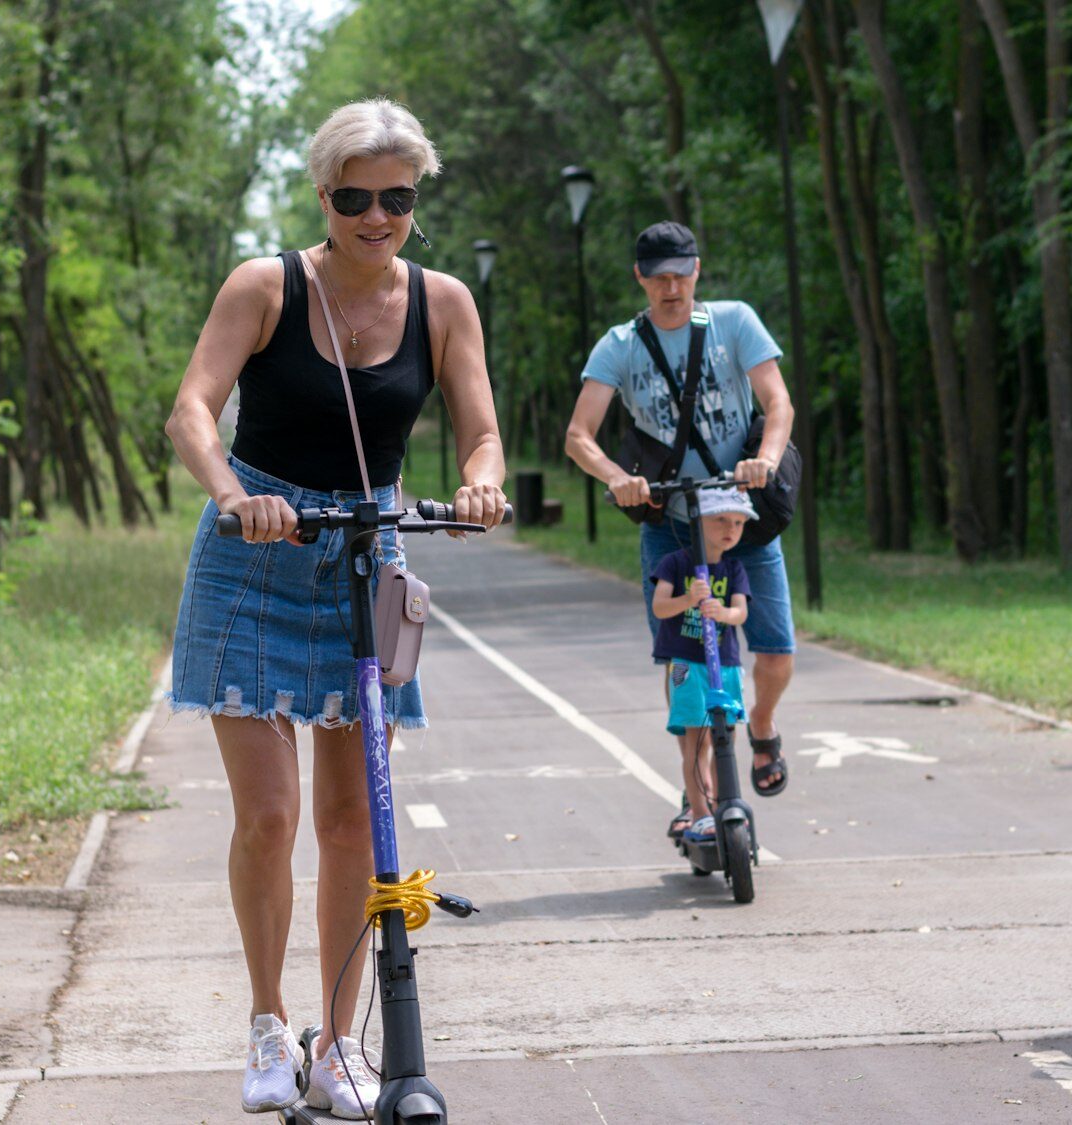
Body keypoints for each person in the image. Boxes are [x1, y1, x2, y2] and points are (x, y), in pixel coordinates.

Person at [162, 97, 505, 1118]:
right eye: (353, 196)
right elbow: (191, 408)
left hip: (364, 557)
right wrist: (235, 498)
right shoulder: (265, 286)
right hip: (256, 552)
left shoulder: (442, 303)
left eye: (394, 197)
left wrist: (482, 479)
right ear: (323, 193)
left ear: (415, 200)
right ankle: (269, 1028)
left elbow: (480, 429)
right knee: (268, 818)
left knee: (355, 819)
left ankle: (339, 1048)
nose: (374, 216)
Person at [563, 221, 798, 830]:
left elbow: (778, 403)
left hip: (740, 519)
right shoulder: (620, 344)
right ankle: (700, 793)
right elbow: (578, 436)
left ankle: (763, 724)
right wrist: (616, 477)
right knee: (686, 662)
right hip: (669, 519)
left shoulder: (735, 323)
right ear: (640, 278)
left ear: (697, 271)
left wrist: (765, 461)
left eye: (681, 274)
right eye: (658, 277)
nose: (671, 288)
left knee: (774, 649)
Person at [649, 489, 754, 842]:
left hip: (724, 664)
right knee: (696, 742)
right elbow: (660, 608)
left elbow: (740, 611)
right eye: (721, 520)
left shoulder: (733, 568)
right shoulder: (676, 564)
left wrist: (723, 613)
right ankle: (699, 813)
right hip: (686, 664)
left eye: (738, 523)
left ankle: (721, 799)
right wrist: (688, 599)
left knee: (725, 736)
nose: (731, 528)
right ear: (699, 521)